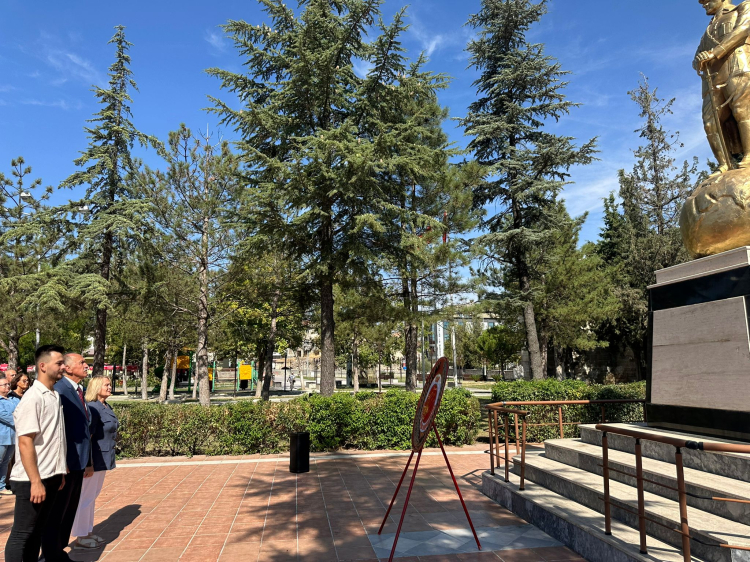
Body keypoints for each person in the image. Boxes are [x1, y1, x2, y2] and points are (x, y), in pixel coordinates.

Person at [4, 345, 68, 562]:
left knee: (36, 531)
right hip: (31, 479)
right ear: (43, 366)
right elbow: (25, 442)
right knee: (22, 534)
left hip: (51, 475)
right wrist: (35, 481)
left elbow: (53, 437)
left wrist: (60, 469)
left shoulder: (54, 395)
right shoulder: (33, 397)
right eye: (59, 363)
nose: (63, 367)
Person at [44, 353, 92, 561]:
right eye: (82, 363)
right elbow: (59, 429)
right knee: (57, 512)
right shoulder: (61, 390)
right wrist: (62, 462)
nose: (86, 366)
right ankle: (50, 554)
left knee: (69, 510)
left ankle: (59, 551)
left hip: (78, 461)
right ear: (68, 368)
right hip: (66, 463)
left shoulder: (78, 390)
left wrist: (87, 461)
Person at [694, 0, 750, 173]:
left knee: (741, 111)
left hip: (737, 66)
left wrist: (714, 53)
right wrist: (698, 61)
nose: (703, 3)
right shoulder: (707, 31)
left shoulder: (742, 7)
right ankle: (724, 164)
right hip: (712, 79)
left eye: (706, 0)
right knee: (710, 123)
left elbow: (743, 29)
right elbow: (696, 56)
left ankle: (749, 156)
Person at [70, 376, 118, 549]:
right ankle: (81, 536)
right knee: (86, 498)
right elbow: (87, 438)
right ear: (97, 387)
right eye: (106, 385)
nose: (110, 387)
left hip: (103, 459)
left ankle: (87, 531)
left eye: (110, 384)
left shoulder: (105, 406)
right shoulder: (92, 408)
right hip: (94, 461)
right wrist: (88, 463)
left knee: (92, 497)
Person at [0, 377, 20, 495]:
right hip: (2, 437)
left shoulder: (14, 399)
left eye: (8, 384)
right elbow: (6, 416)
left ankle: (1, 486)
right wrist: (18, 419)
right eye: (4, 385)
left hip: (13, 437)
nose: (8, 386)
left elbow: (22, 412)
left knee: (5, 462)